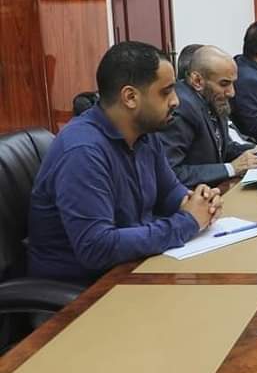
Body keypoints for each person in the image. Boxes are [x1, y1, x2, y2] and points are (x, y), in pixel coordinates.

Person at [28, 42, 222, 285]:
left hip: (135, 267)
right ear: (130, 97)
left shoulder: (145, 134)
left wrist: (199, 202)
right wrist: (187, 222)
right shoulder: (83, 151)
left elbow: (170, 192)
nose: (176, 101)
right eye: (166, 92)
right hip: (86, 289)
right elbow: (96, 247)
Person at [160, 46, 257, 188]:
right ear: (197, 81)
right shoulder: (181, 108)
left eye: (233, 83)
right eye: (224, 84)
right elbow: (172, 173)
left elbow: (223, 147)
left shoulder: (211, 98)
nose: (231, 93)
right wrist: (231, 168)